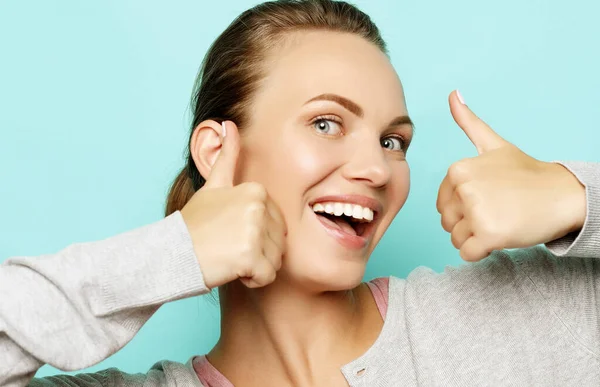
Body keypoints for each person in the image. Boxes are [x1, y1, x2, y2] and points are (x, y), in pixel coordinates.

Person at [1, 0, 598, 386]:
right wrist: (173, 253)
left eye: (393, 141)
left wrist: (576, 198)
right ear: (217, 153)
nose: (377, 168)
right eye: (326, 123)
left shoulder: (516, 320)